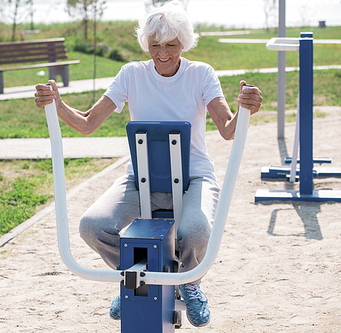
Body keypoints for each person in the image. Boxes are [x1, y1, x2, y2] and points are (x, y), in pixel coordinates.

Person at [34, 0, 262, 327]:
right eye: (155, 45)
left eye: (171, 45)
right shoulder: (131, 75)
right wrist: (57, 104)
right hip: (140, 178)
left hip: (194, 177)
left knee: (196, 232)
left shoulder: (200, 74)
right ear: (146, 45)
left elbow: (227, 128)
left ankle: (189, 283)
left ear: (184, 43)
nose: (163, 53)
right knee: (92, 226)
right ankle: (134, 278)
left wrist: (245, 108)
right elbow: (86, 122)